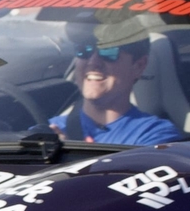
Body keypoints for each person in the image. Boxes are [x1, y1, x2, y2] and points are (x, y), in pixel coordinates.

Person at [50, 27, 182, 146]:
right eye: (84, 50)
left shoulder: (155, 136)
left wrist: (69, 155)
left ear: (139, 66)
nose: (93, 62)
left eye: (108, 51)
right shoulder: (50, 130)